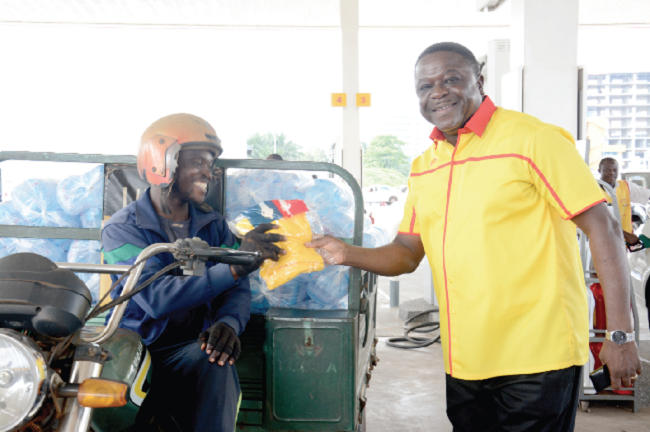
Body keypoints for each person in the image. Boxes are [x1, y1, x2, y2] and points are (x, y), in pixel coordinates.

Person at [307, 42, 642, 431]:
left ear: (479, 82)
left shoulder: (533, 139)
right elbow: (405, 253)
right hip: (465, 359)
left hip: (537, 356)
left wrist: (620, 334)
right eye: (425, 85)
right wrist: (344, 252)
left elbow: (604, 228)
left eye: (451, 79)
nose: (437, 91)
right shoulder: (424, 166)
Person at [102, 114, 284, 431]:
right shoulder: (122, 229)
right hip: (135, 347)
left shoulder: (211, 224)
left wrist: (228, 323)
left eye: (210, 164)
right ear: (161, 163)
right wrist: (236, 267)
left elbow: (236, 290)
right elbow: (156, 298)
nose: (208, 172)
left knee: (217, 361)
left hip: (187, 346)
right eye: (197, 162)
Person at [598, 157, 650, 245]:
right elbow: (599, 222)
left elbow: (647, 195)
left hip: (623, 244)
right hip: (602, 243)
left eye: (615, 170)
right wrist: (626, 235)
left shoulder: (626, 186)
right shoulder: (594, 191)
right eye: (607, 170)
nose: (612, 173)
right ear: (599, 171)